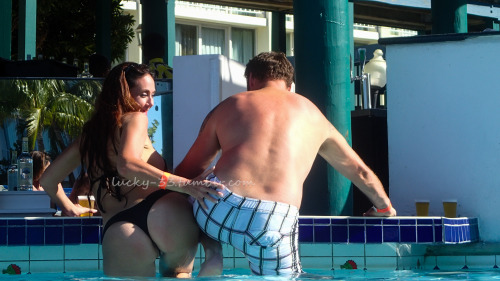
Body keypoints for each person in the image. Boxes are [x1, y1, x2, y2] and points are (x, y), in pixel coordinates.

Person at [174, 51, 397, 276]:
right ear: (290, 86)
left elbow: (186, 172)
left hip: (216, 208)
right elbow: (360, 172)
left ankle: (213, 252)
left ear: (251, 79)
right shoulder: (314, 116)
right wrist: (383, 207)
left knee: (199, 185)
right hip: (272, 221)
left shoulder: (229, 105)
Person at [40, 62, 224, 277]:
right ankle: (214, 254)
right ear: (123, 94)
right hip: (165, 214)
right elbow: (127, 165)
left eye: (153, 94)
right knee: (177, 275)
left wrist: (67, 207)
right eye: (144, 94)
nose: (151, 103)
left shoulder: (88, 138)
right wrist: (187, 185)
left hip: (120, 229)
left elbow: (48, 180)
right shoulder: (136, 118)